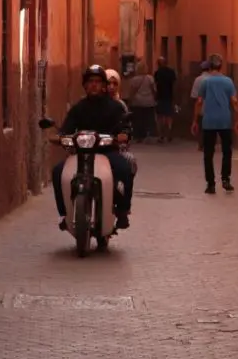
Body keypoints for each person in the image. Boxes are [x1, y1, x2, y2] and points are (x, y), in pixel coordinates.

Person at [49, 65, 133, 230]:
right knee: (58, 171)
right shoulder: (78, 108)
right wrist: (59, 137)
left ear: (103, 85)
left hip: (107, 152)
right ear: (85, 85)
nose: (94, 85)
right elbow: (66, 129)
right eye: (90, 81)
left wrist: (123, 134)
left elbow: (125, 127)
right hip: (81, 153)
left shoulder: (115, 107)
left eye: (98, 81)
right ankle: (64, 214)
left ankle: (123, 211)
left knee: (124, 168)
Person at [192, 54, 238, 194]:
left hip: (209, 121)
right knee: (227, 151)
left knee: (208, 153)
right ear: (221, 66)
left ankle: (211, 184)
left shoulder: (205, 82)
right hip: (225, 120)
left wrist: (195, 121)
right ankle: (226, 179)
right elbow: (234, 101)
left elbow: (199, 102)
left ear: (209, 66)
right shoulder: (228, 82)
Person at [127, 61, 157, 142]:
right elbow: (154, 90)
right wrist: (155, 98)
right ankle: (149, 134)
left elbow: (132, 91)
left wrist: (130, 101)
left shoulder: (134, 79)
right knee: (148, 119)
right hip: (149, 102)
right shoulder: (150, 78)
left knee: (138, 120)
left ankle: (139, 136)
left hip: (137, 102)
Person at [153, 56, 177, 143]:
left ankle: (161, 135)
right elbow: (175, 84)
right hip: (169, 96)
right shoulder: (171, 72)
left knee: (160, 116)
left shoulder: (157, 73)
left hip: (160, 97)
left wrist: (155, 95)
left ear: (158, 64)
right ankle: (169, 132)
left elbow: (155, 85)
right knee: (169, 116)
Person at [190, 61, 210, 150]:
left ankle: (201, 144)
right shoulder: (214, 79)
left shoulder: (198, 79)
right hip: (213, 107)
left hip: (201, 107)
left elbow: (194, 96)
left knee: (201, 125)